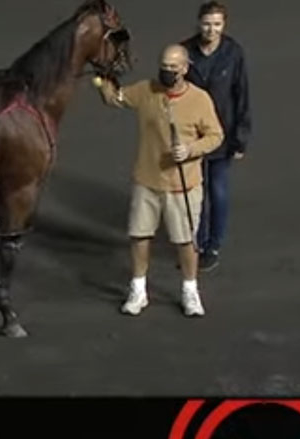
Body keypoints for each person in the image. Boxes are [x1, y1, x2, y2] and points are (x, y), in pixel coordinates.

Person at [94, 43, 224, 318]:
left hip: (182, 185)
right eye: (164, 66)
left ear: (185, 68)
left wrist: (190, 150)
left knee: (185, 240)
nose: (167, 71)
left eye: (173, 67)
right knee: (139, 235)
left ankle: (190, 291)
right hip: (147, 180)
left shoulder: (199, 99)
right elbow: (116, 98)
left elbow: (215, 135)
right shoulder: (146, 90)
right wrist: (102, 78)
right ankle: (138, 290)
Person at [181, 0, 251, 272]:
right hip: (191, 134)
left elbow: (241, 95)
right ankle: (196, 244)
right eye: (207, 24)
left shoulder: (233, 53)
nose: (211, 30)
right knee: (194, 192)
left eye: (217, 24)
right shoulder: (185, 51)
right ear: (199, 23)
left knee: (217, 190)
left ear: (224, 25)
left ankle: (213, 245)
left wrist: (240, 137)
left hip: (222, 132)